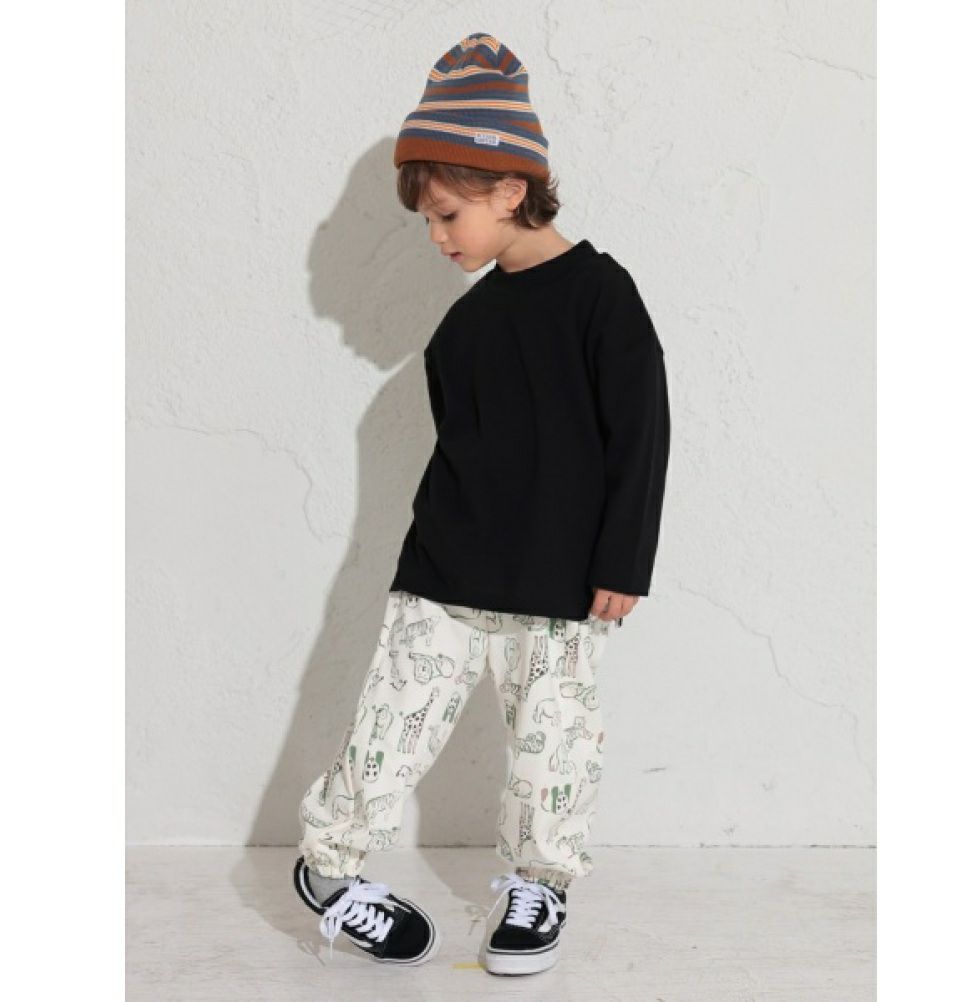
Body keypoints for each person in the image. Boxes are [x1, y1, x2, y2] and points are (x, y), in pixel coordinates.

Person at [292, 31, 671, 976]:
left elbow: (641, 434)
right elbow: (461, 450)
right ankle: (329, 866)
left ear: (510, 189)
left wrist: (623, 560)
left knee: (553, 745)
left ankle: (539, 885)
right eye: (429, 219)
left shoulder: (602, 297)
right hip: (444, 577)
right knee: (389, 727)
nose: (437, 236)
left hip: (563, 583)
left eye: (447, 214)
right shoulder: (463, 329)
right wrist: (426, 569)